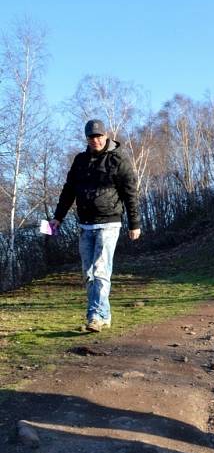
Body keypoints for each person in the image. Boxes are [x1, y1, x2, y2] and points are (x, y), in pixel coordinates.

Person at [50, 119, 141, 333]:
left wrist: (134, 223)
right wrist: (58, 218)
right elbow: (68, 191)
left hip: (110, 223)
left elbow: (130, 193)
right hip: (86, 225)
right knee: (88, 273)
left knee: (101, 270)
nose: (95, 140)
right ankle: (104, 315)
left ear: (106, 136)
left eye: (99, 136)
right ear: (87, 138)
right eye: (91, 137)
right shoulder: (80, 161)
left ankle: (95, 316)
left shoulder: (119, 159)